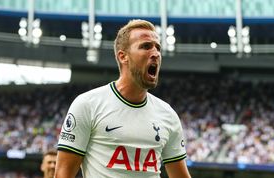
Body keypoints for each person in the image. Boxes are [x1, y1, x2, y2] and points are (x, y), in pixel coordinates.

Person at [55, 19, 191, 178]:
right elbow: (63, 173)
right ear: (123, 56)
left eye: (158, 48)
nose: (155, 53)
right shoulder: (87, 104)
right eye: (146, 46)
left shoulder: (168, 114)